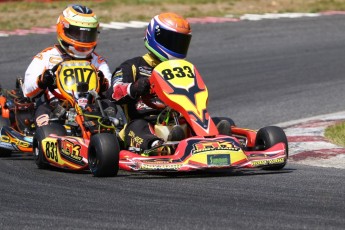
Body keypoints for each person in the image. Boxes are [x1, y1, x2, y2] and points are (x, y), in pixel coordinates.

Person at [23, 4, 111, 127]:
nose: (82, 40)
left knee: (110, 110)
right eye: (77, 34)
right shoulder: (47, 57)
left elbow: (111, 90)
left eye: (87, 35)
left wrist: (103, 83)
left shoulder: (98, 62)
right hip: (55, 106)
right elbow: (27, 90)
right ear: (63, 29)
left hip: (90, 108)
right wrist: (43, 80)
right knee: (44, 119)